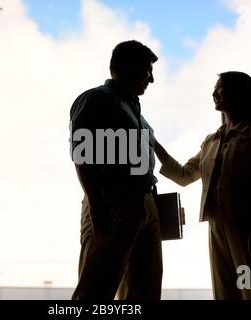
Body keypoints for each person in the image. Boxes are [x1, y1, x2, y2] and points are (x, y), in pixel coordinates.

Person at [154, 71, 251, 300]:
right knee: (225, 292)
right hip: (216, 227)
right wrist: (153, 143)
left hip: (248, 228)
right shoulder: (210, 141)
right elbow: (184, 175)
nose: (214, 93)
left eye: (220, 87)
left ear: (240, 92)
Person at [69, 40, 162, 300]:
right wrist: (98, 206)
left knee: (145, 291)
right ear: (128, 66)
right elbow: (81, 154)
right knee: (96, 290)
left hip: (145, 204)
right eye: (147, 71)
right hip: (112, 202)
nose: (151, 80)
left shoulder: (138, 114)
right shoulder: (95, 99)